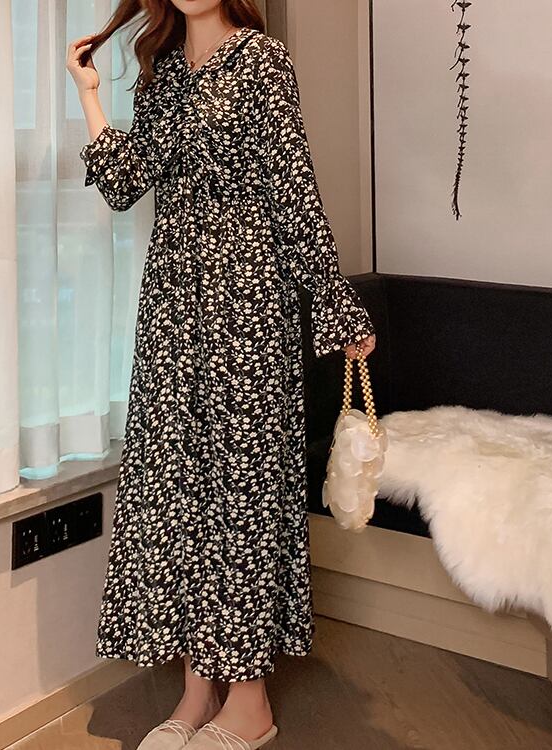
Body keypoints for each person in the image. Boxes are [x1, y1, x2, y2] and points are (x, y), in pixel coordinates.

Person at [67, 2, 376, 748]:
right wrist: (89, 94)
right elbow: (125, 182)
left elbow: (294, 193)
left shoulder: (262, 60)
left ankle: (250, 702)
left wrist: (334, 303)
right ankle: (196, 690)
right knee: (177, 493)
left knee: (242, 496)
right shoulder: (164, 73)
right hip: (173, 314)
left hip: (248, 312)